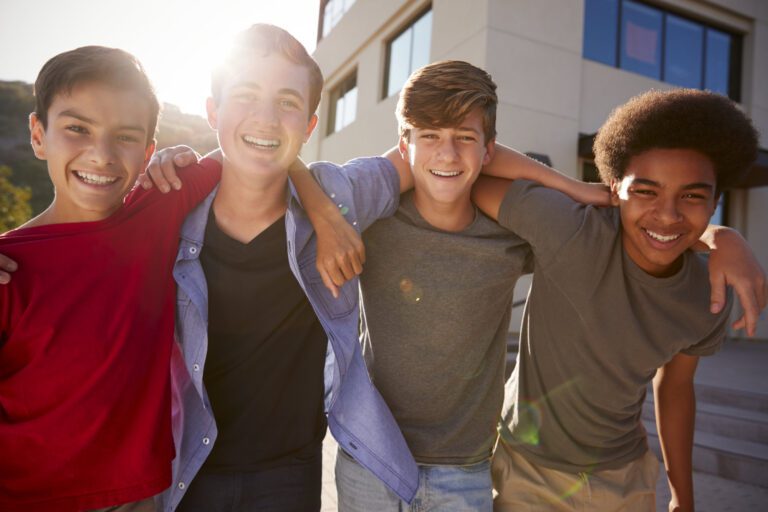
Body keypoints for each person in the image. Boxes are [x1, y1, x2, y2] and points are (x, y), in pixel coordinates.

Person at [472, 89, 764, 512]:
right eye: (645, 191)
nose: (667, 214)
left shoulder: (710, 293)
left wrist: (683, 495)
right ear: (615, 189)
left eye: (693, 196)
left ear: (715, 203)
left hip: (625, 476)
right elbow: (472, 170)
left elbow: (676, 387)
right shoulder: (570, 230)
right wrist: (572, 187)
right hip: (527, 468)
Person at [0, 46, 221, 511]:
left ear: (147, 153)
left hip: (139, 496)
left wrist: (323, 210)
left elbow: (251, 147)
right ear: (38, 135)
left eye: (124, 137)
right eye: (77, 128)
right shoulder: (7, 270)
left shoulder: (160, 207)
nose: (100, 155)